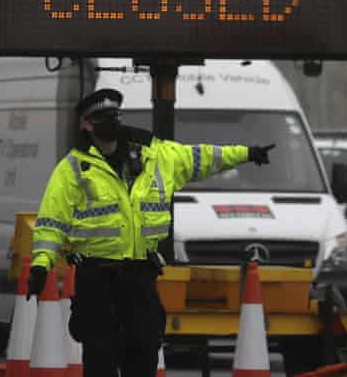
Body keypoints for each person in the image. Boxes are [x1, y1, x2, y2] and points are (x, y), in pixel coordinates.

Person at [27, 88, 275, 377]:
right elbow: (51, 222)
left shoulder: (155, 155)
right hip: (96, 278)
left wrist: (247, 153)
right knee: (100, 358)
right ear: (87, 125)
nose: (112, 123)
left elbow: (203, 156)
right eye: (103, 118)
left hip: (139, 275)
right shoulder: (73, 169)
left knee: (143, 353)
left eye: (115, 116)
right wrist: (40, 265)